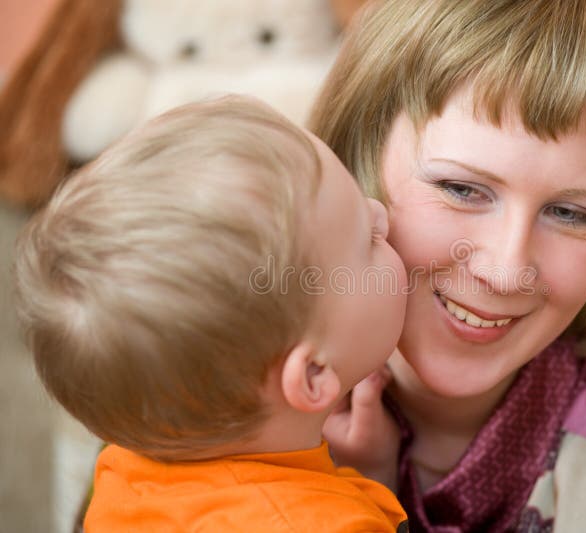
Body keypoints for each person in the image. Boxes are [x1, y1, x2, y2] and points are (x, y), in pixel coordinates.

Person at [310, 1, 586, 531]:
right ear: (354, 160)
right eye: (462, 189)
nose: (506, 270)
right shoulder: (237, 363)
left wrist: (369, 505)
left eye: (570, 213)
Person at [13, 95, 410, 532]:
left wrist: (371, 474)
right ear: (313, 374)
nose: (381, 214)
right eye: (367, 241)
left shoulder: (122, 471)